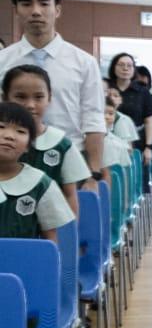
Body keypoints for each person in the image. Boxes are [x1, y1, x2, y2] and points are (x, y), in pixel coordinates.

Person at [0, 0, 108, 183]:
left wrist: (93, 172)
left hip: (69, 160)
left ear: (57, 10)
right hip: (11, 161)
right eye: (26, 4)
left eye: (43, 3)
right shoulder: (3, 61)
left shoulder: (84, 62)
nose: (36, 11)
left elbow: (93, 119)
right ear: (16, 11)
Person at [4, 65, 90, 218]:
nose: (30, 105)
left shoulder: (62, 145)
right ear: (5, 97)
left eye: (38, 97)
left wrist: (68, 238)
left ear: (49, 98)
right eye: (21, 97)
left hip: (47, 236)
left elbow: (70, 196)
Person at [0, 101, 74, 241]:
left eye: (20, 131)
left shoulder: (39, 183)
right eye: (1, 127)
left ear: (28, 146)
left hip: (24, 261)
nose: (9, 136)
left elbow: (50, 238)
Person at [108, 53, 152, 175]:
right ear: (114, 67)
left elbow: (149, 122)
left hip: (137, 141)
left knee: (135, 178)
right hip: (110, 139)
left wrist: (148, 147)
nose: (125, 68)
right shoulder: (107, 89)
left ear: (134, 69)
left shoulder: (142, 91)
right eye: (121, 65)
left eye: (129, 66)